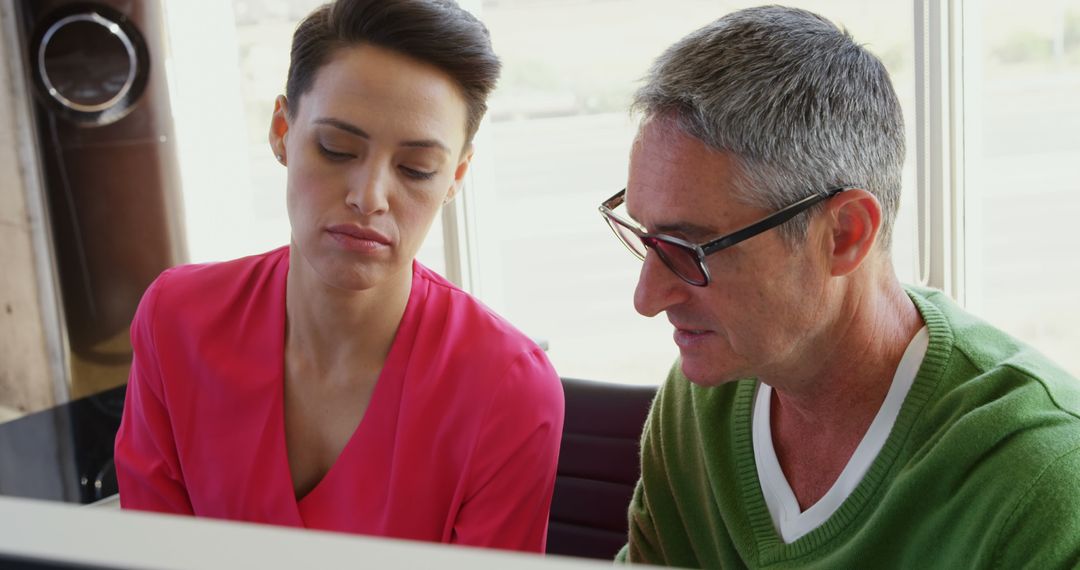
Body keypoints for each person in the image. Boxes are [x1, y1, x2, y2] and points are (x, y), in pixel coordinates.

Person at [600, 6, 1080, 568]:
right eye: (646, 237)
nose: (646, 299)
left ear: (845, 234)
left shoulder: (1043, 485)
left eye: (689, 250)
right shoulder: (696, 404)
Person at [114, 0, 564, 553]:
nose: (369, 197)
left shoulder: (507, 389)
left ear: (456, 176)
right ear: (282, 131)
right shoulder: (175, 320)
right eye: (337, 149)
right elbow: (148, 552)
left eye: (416, 169)